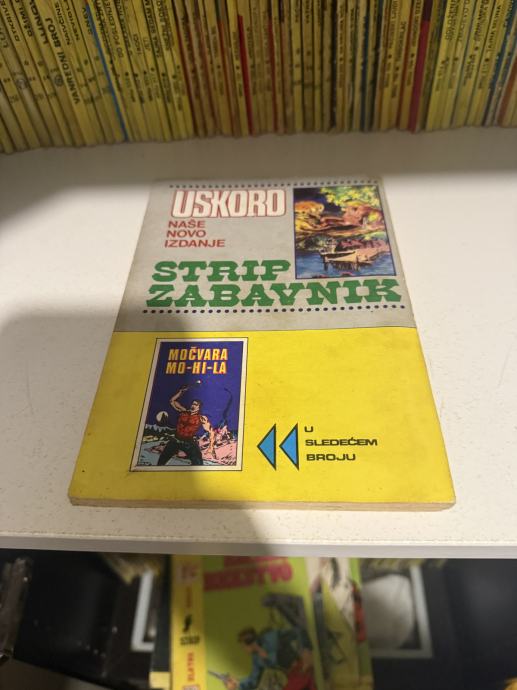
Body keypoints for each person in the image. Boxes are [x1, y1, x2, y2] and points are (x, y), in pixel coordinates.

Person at [224, 627, 316, 690]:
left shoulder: (272, 638)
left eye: (243, 646)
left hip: (300, 668)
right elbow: (253, 680)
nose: (244, 650)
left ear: (250, 643)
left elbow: (299, 631)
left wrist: (306, 650)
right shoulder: (256, 658)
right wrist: (238, 684)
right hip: (290, 676)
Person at [157, 386, 215, 466]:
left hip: (189, 443)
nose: (193, 405)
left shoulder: (201, 418)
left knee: (198, 463)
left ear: (199, 407)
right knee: (161, 462)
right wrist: (181, 391)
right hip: (175, 440)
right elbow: (172, 401)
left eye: (196, 404)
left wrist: (211, 447)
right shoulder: (183, 411)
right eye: (193, 403)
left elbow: (211, 432)